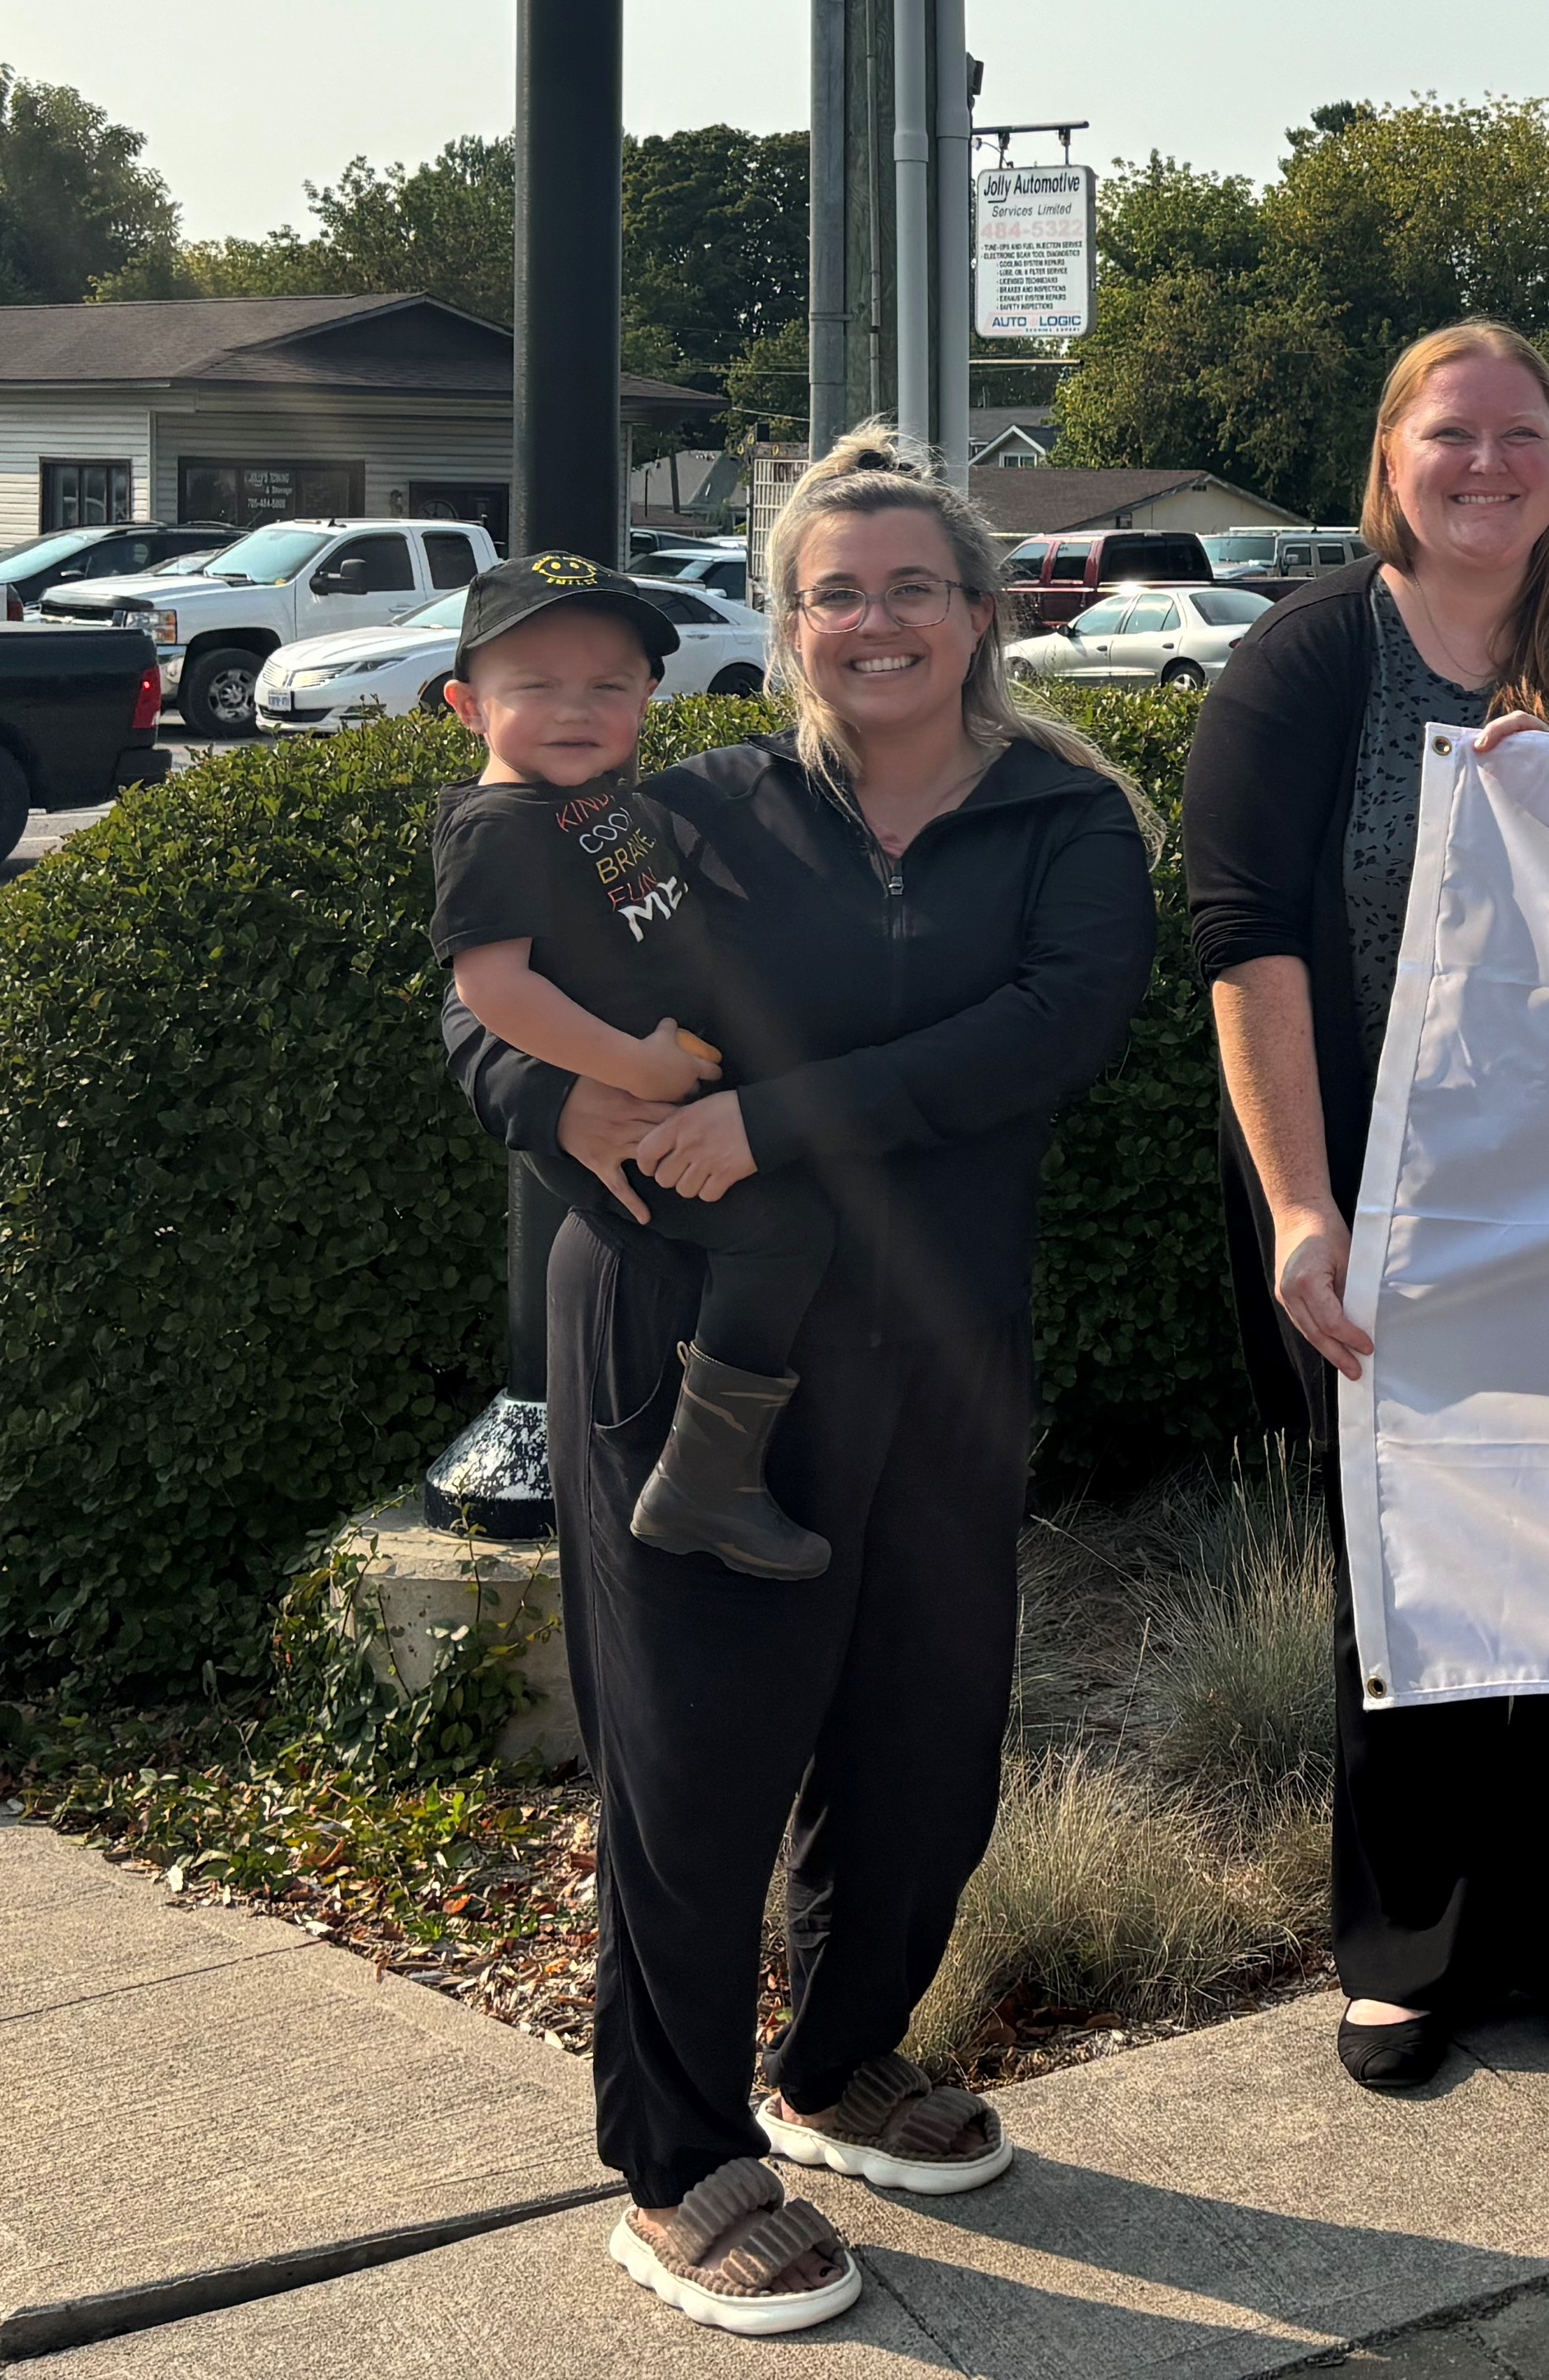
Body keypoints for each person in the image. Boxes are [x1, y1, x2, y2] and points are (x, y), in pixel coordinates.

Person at [439, 427, 1157, 2339]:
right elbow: (484, 986)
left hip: (941, 1340)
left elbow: (1050, 1030)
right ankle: (673, 2162)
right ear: (785, 625)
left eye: (911, 584)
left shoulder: (1069, 822)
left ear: (981, 610)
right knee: (702, 1749)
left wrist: (775, 1121)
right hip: (686, 1342)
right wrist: (553, 1089)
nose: (876, 620)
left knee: (925, 1741)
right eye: (833, 591)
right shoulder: (682, 815)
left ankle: (838, 2064)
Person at [1186, 319, 1549, 2097]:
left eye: (1522, 435)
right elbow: (1245, 944)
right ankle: (1411, 1947)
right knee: (1412, 1561)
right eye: (1454, 435)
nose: (1489, 466)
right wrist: (1303, 1205)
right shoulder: (1307, 661)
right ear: (1392, 453)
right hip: (1376, 1200)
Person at [431, 552, 834, 1580]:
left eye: (608, 685)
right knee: (781, 1231)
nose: (576, 710)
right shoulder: (494, 827)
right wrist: (628, 1068)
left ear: (651, 693)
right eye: (537, 686)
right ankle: (707, 1481)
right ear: (468, 706)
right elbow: (491, 990)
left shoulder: (604, 802)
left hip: (666, 1083)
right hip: (626, 1110)